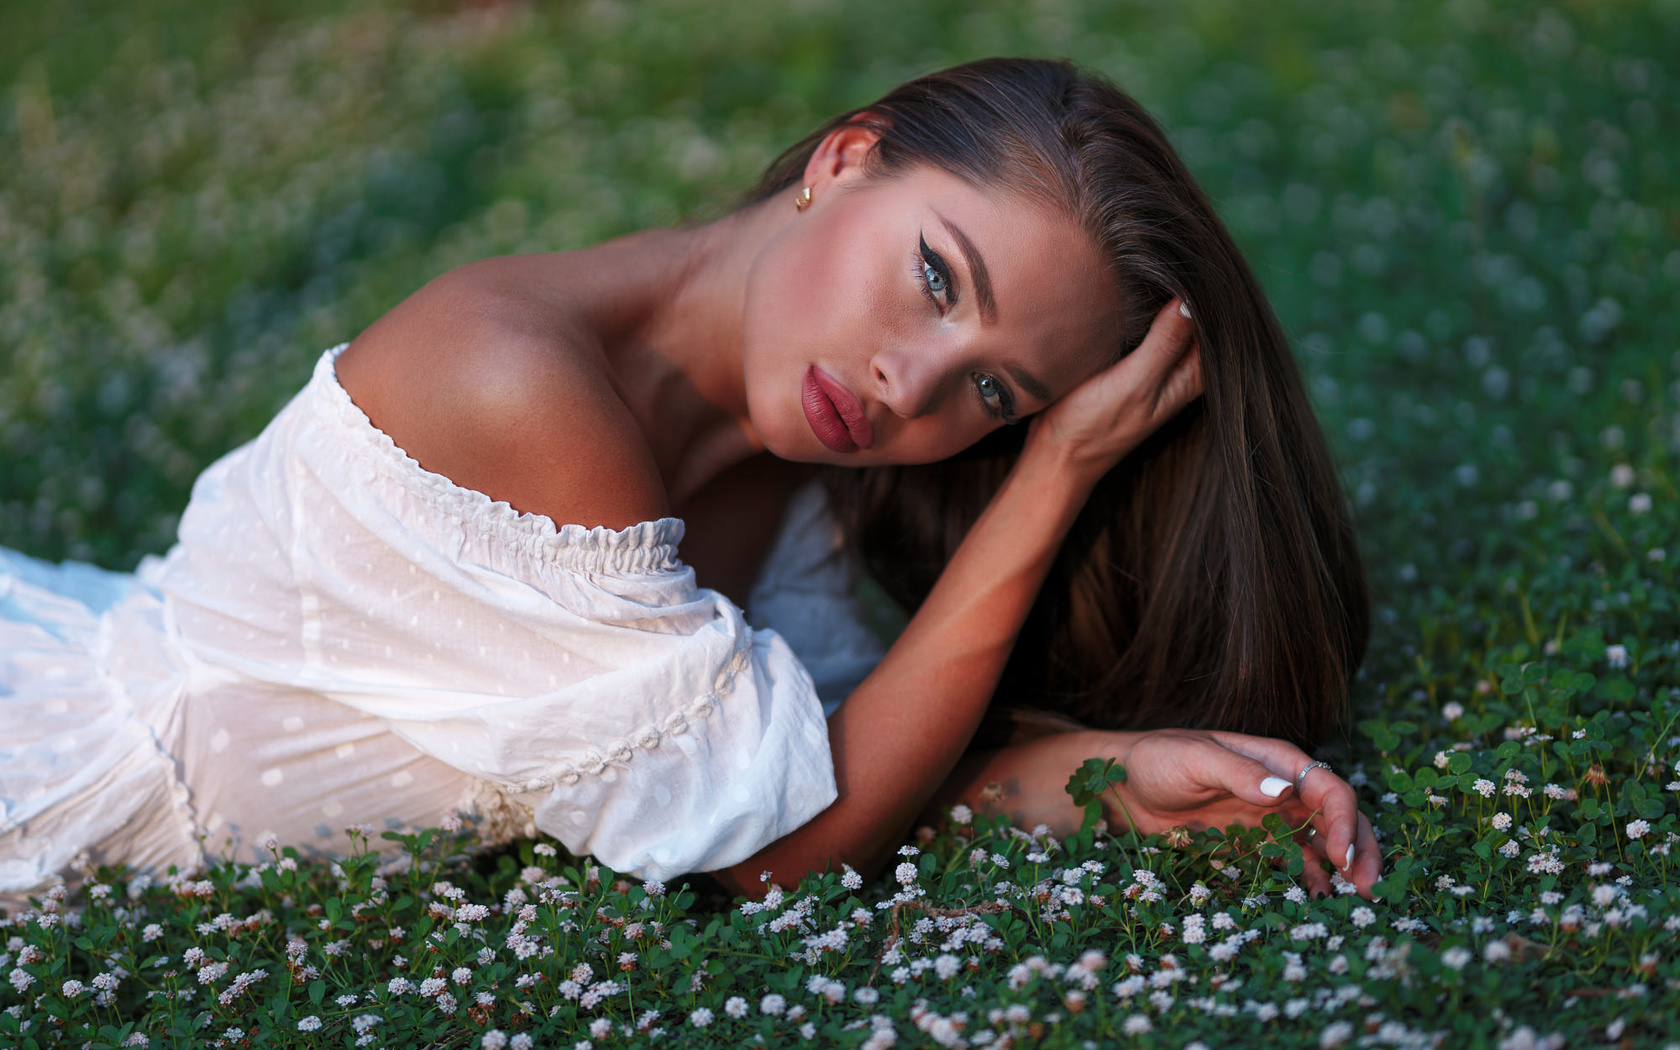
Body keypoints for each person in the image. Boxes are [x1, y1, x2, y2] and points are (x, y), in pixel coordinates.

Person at [0, 57, 1376, 906]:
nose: (917, 384)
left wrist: (1100, 777)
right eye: (935, 276)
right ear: (846, 160)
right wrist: (1055, 471)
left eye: (998, 393)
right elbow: (766, 849)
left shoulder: (791, 466)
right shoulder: (519, 387)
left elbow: (812, 769)